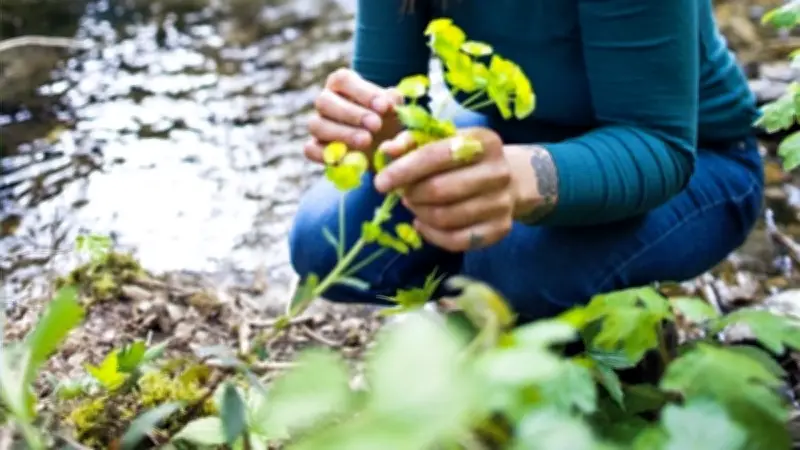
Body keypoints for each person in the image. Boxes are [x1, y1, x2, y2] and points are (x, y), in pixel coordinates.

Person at [288, 0, 764, 324]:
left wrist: (519, 183)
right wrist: (377, 134)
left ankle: (593, 326)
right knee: (324, 245)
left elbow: (658, 146)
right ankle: (510, 309)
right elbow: (392, 100)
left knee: (510, 265)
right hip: (514, 130)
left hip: (700, 161)